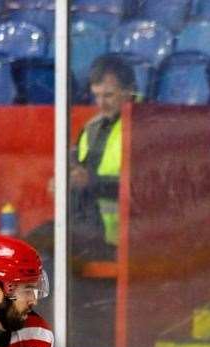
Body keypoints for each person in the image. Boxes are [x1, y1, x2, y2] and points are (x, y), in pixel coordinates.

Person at [70, 55, 136, 260]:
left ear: (129, 91)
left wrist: (91, 182)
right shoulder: (91, 127)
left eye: (108, 95)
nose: (101, 103)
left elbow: (144, 187)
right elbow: (76, 169)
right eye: (96, 96)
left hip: (124, 235)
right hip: (86, 225)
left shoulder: (146, 126)